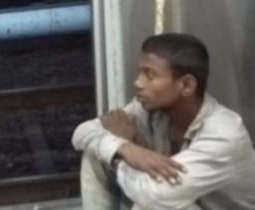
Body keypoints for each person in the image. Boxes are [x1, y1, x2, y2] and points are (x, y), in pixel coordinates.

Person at [72, 33, 255, 210]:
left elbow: (156, 196)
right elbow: (82, 132)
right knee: (96, 152)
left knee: (156, 204)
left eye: (149, 75)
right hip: (178, 201)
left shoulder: (224, 134)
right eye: (139, 73)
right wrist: (126, 148)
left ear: (186, 85)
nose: (137, 83)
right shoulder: (149, 109)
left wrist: (121, 155)